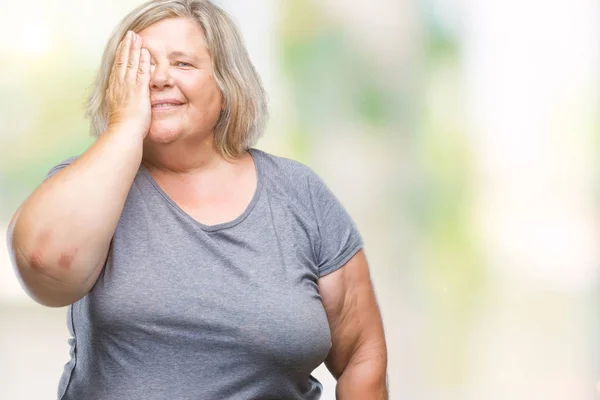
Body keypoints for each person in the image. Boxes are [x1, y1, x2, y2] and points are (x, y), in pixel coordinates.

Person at [6, 1, 388, 399]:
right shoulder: (89, 185)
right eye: (141, 66)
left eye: (182, 64)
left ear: (226, 85)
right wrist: (124, 127)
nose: (158, 79)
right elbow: (44, 269)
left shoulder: (299, 193)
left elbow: (362, 353)